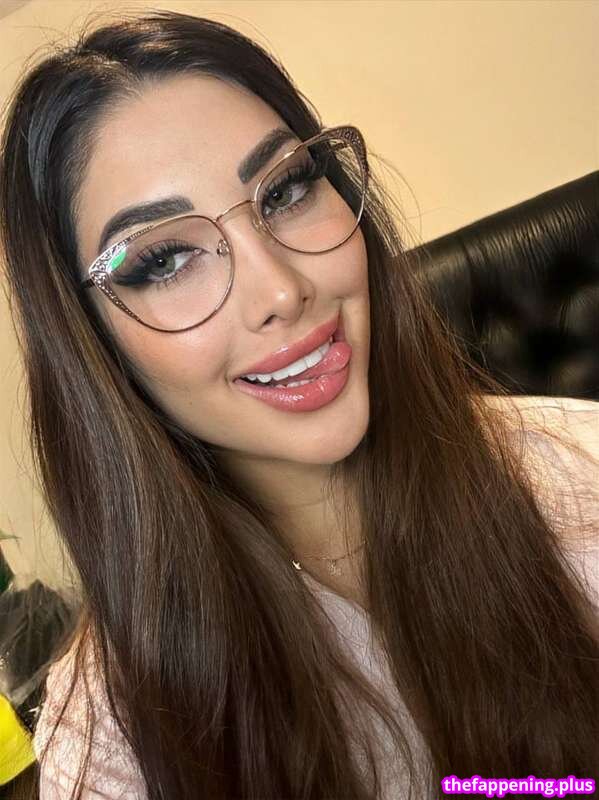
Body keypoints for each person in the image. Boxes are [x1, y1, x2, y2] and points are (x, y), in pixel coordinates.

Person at [0, 9, 598, 799]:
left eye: (284, 190)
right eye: (164, 259)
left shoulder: (576, 484)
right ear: (92, 344)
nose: (282, 289)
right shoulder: (113, 740)